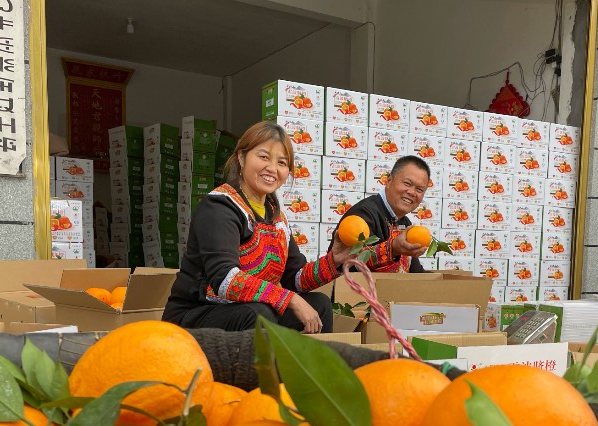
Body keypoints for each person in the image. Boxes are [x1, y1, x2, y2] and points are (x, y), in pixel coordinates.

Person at [163, 121, 350, 333]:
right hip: (196, 314)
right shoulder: (219, 206)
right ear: (241, 158)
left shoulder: (276, 218)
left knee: (320, 305)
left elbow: (294, 278)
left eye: (281, 162)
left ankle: (302, 366)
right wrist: (290, 300)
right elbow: (225, 279)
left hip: (246, 310)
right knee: (260, 314)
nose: (272, 168)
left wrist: (334, 261)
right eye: (263, 157)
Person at [330, 155, 432, 273]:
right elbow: (352, 265)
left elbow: (416, 273)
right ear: (389, 181)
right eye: (407, 183)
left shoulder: (404, 223)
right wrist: (392, 249)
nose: (412, 192)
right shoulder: (363, 215)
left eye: (419, 190)